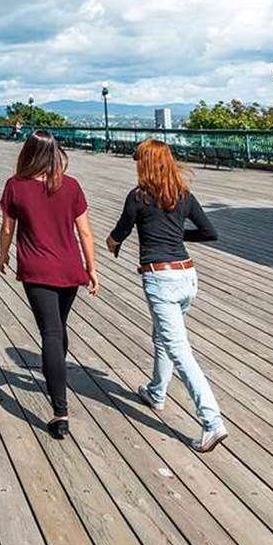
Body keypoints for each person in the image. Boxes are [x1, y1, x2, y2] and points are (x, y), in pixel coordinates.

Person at [106, 139, 226, 453]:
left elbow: (119, 234)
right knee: (163, 336)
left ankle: (212, 421)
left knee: (179, 350)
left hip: (161, 279)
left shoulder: (138, 197)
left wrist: (113, 243)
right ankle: (157, 392)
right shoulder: (183, 194)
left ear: (145, 165)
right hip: (187, 276)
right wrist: (177, 234)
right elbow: (210, 233)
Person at [0, 130, 99, 440]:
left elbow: (7, 229)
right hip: (69, 268)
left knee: (51, 332)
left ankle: (60, 411)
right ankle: (56, 371)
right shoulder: (71, 185)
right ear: (55, 153)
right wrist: (92, 269)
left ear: (27, 153)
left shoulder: (16, 186)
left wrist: (3, 255)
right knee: (58, 327)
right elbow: (85, 232)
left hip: (37, 269)